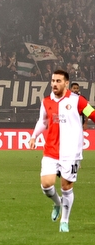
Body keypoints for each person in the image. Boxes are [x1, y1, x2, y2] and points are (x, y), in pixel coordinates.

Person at [32, 68, 95, 232]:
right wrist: (33, 136)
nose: (54, 84)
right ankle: (57, 203)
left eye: (58, 81)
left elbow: (91, 113)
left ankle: (64, 222)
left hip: (71, 152)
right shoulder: (46, 101)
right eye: (53, 81)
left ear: (66, 83)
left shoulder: (77, 101)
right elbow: (42, 121)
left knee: (66, 187)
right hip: (51, 150)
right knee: (46, 185)